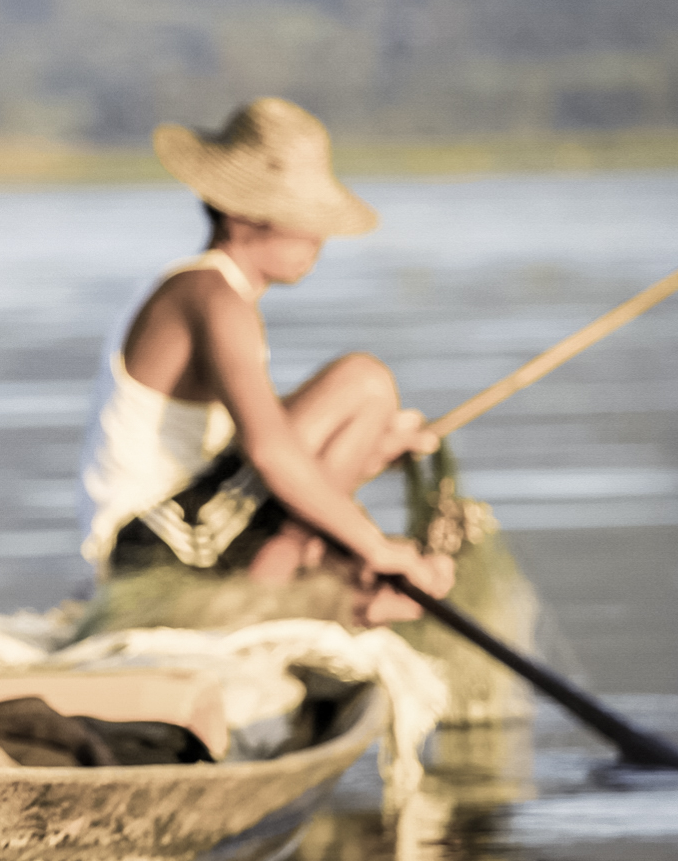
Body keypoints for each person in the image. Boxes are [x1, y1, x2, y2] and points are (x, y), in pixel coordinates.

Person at [77, 97, 454, 626]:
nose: (317, 238)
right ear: (242, 215)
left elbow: (260, 439)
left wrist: (374, 448)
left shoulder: (207, 290)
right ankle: (278, 583)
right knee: (363, 383)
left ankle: (315, 578)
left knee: (371, 412)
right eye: (303, 218)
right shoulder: (212, 296)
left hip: (188, 524)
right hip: (150, 548)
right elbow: (271, 451)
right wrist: (376, 547)